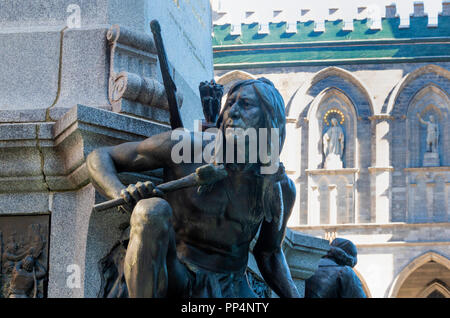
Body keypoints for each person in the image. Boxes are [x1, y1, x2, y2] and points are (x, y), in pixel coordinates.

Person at [87, 78, 300, 298]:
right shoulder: (186, 148)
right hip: (177, 273)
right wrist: (120, 191)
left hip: (232, 286)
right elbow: (100, 156)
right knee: (150, 210)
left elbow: (269, 253)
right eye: (230, 104)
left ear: (269, 121)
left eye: (245, 105)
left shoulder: (278, 187)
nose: (232, 112)